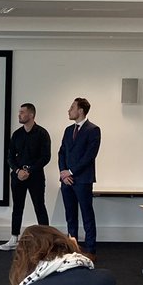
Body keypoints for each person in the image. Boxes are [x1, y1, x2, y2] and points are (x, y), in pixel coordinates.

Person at [0, 102, 51, 251]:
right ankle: (14, 237)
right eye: (19, 112)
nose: (19, 115)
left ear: (31, 115)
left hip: (35, 177)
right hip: (18, 177)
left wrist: (29, 170)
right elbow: (10, 157)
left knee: (39, 206)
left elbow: (45, 157)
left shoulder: (42, 134)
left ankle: (46, 241)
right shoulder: (17, 134)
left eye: (22, 112)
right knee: (17, 207)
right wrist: (17, 171)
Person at [57, 97, 101, 256]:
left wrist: (71, 171)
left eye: (72, 107)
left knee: (87, 214)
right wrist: (63, 172)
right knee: (70, 215)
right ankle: (72, 247)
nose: (69, 110)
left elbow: (90, 156)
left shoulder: (93, 130)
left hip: (82, 180)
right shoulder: (68, 130)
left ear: (80, 110)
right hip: (66, 180)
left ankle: (90, 250)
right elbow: (61, 152)